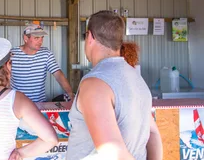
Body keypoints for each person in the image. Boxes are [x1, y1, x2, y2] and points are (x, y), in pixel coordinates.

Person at [67, 10, 162, 160]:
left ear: (90, 37)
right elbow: (154, 134)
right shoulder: (137, 79)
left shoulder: (95, 84)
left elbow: (112, 152)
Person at [11, 24, 74, 102]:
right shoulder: (12, 55)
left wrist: (70, 94)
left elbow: (58, 74)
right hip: (17, 105)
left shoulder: (46, 54)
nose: (40, 41)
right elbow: (3, 78)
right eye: (36, 38)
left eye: (42, 38)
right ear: (26, 38)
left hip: (39, 105)